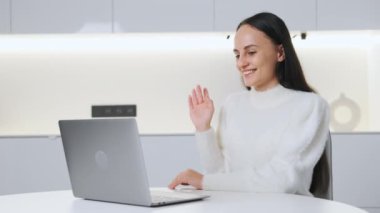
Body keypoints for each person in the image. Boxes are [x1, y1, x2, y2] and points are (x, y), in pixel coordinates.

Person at [168, 12, 330, 196]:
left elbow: (281, 182)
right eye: (237, 55)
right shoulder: (232, 104)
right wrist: (203, 129)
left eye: (251, 52)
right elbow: (220, 176)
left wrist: (203, 181)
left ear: (280, 53)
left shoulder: (309, 105)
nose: (241, 63)